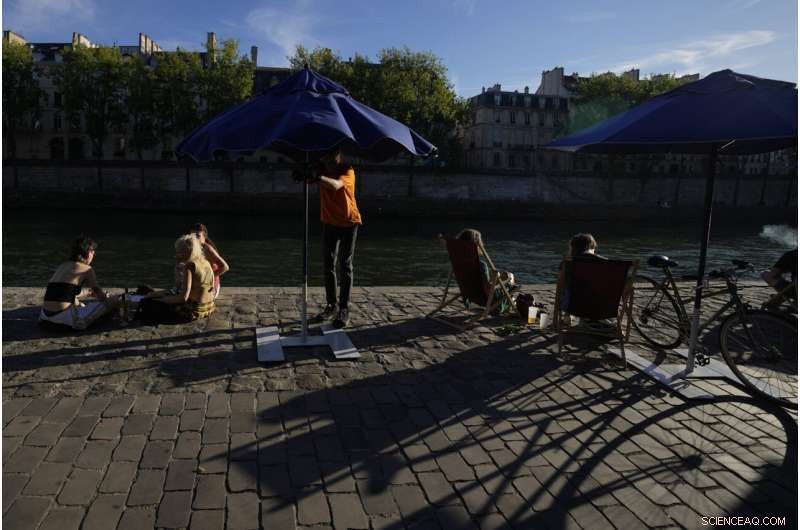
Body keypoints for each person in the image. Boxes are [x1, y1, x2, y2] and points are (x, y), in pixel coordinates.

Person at [310, 150, 362, 328]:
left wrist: (318, 178)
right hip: (329, 223)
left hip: (349, 222)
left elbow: (336, 185)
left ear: (339, 156)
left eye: (332, 158)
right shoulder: (321, 168)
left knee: (345, 265)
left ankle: (344, 308)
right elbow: (310, 178)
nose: (329, 162)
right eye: (326, 158)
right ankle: (331, 305)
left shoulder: (347, 170)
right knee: (328, 264)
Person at [39, 235, 119, 330]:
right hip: (65, 320)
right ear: (89, 252)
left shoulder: (62, 266)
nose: (94, 254)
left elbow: (64, 292)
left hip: (45, 317)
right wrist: (107, 298)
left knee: (80, 304)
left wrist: (88, 293)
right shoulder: (87, 269)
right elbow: (99, 295)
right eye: (93, 251)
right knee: (115, 300)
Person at [137, 235, 216, 324]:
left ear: (187, 251)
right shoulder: (206, 262)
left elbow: (183, 298)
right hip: (209, 306)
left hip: (193, 310)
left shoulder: (189, 266)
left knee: (148, 303)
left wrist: (161, 300)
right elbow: (211, 286)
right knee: (159, 297)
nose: (177, 253)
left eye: (179, 251)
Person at [456, 228, 515, 314]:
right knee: (509, 275)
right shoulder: (480, 265)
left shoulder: (459, 262)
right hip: (486, 302)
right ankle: (509, 303)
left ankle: (511, 301)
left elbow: (478, 284)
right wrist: (506, 280)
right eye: (480, 242)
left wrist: (495, 279)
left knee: (500, 275)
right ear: (476, 245)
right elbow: (488, 291)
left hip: (470, 299)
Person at [190, 223, 229, 299]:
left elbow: (225, 267)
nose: (194, 239)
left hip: (211, 285)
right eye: (192, 236)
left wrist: (209, 277)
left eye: (198, 236)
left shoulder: (208, 249)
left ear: (204, 237)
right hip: (198, 283)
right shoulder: (192, 247)